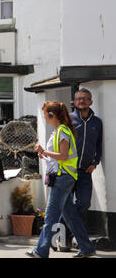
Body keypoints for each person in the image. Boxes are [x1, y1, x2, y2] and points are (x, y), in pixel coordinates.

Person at [26, 101, 95, 258]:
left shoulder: (62, 131)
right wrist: (43, 153)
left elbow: (63, 156)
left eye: (45, 114)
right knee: (70, 217)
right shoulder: (59, 131)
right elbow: (58, 157)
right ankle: (87, 248)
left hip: (63, 178)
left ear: (52, 115)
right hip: (64, 177)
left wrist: (45, 151)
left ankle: (41, 250)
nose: (44, 117)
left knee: (50, 216)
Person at [59, 88, 103, 251]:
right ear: (75, 103)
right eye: (78, 99)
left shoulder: (97, 122)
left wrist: (95, 162)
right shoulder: (68, 120)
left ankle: (64, 229)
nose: (81, 101)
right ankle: (64, 239)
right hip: (69, 171)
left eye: (85, 98)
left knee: (84, 203)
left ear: (91, 102)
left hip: (85, 171)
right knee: (66, 204)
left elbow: (99, 145)